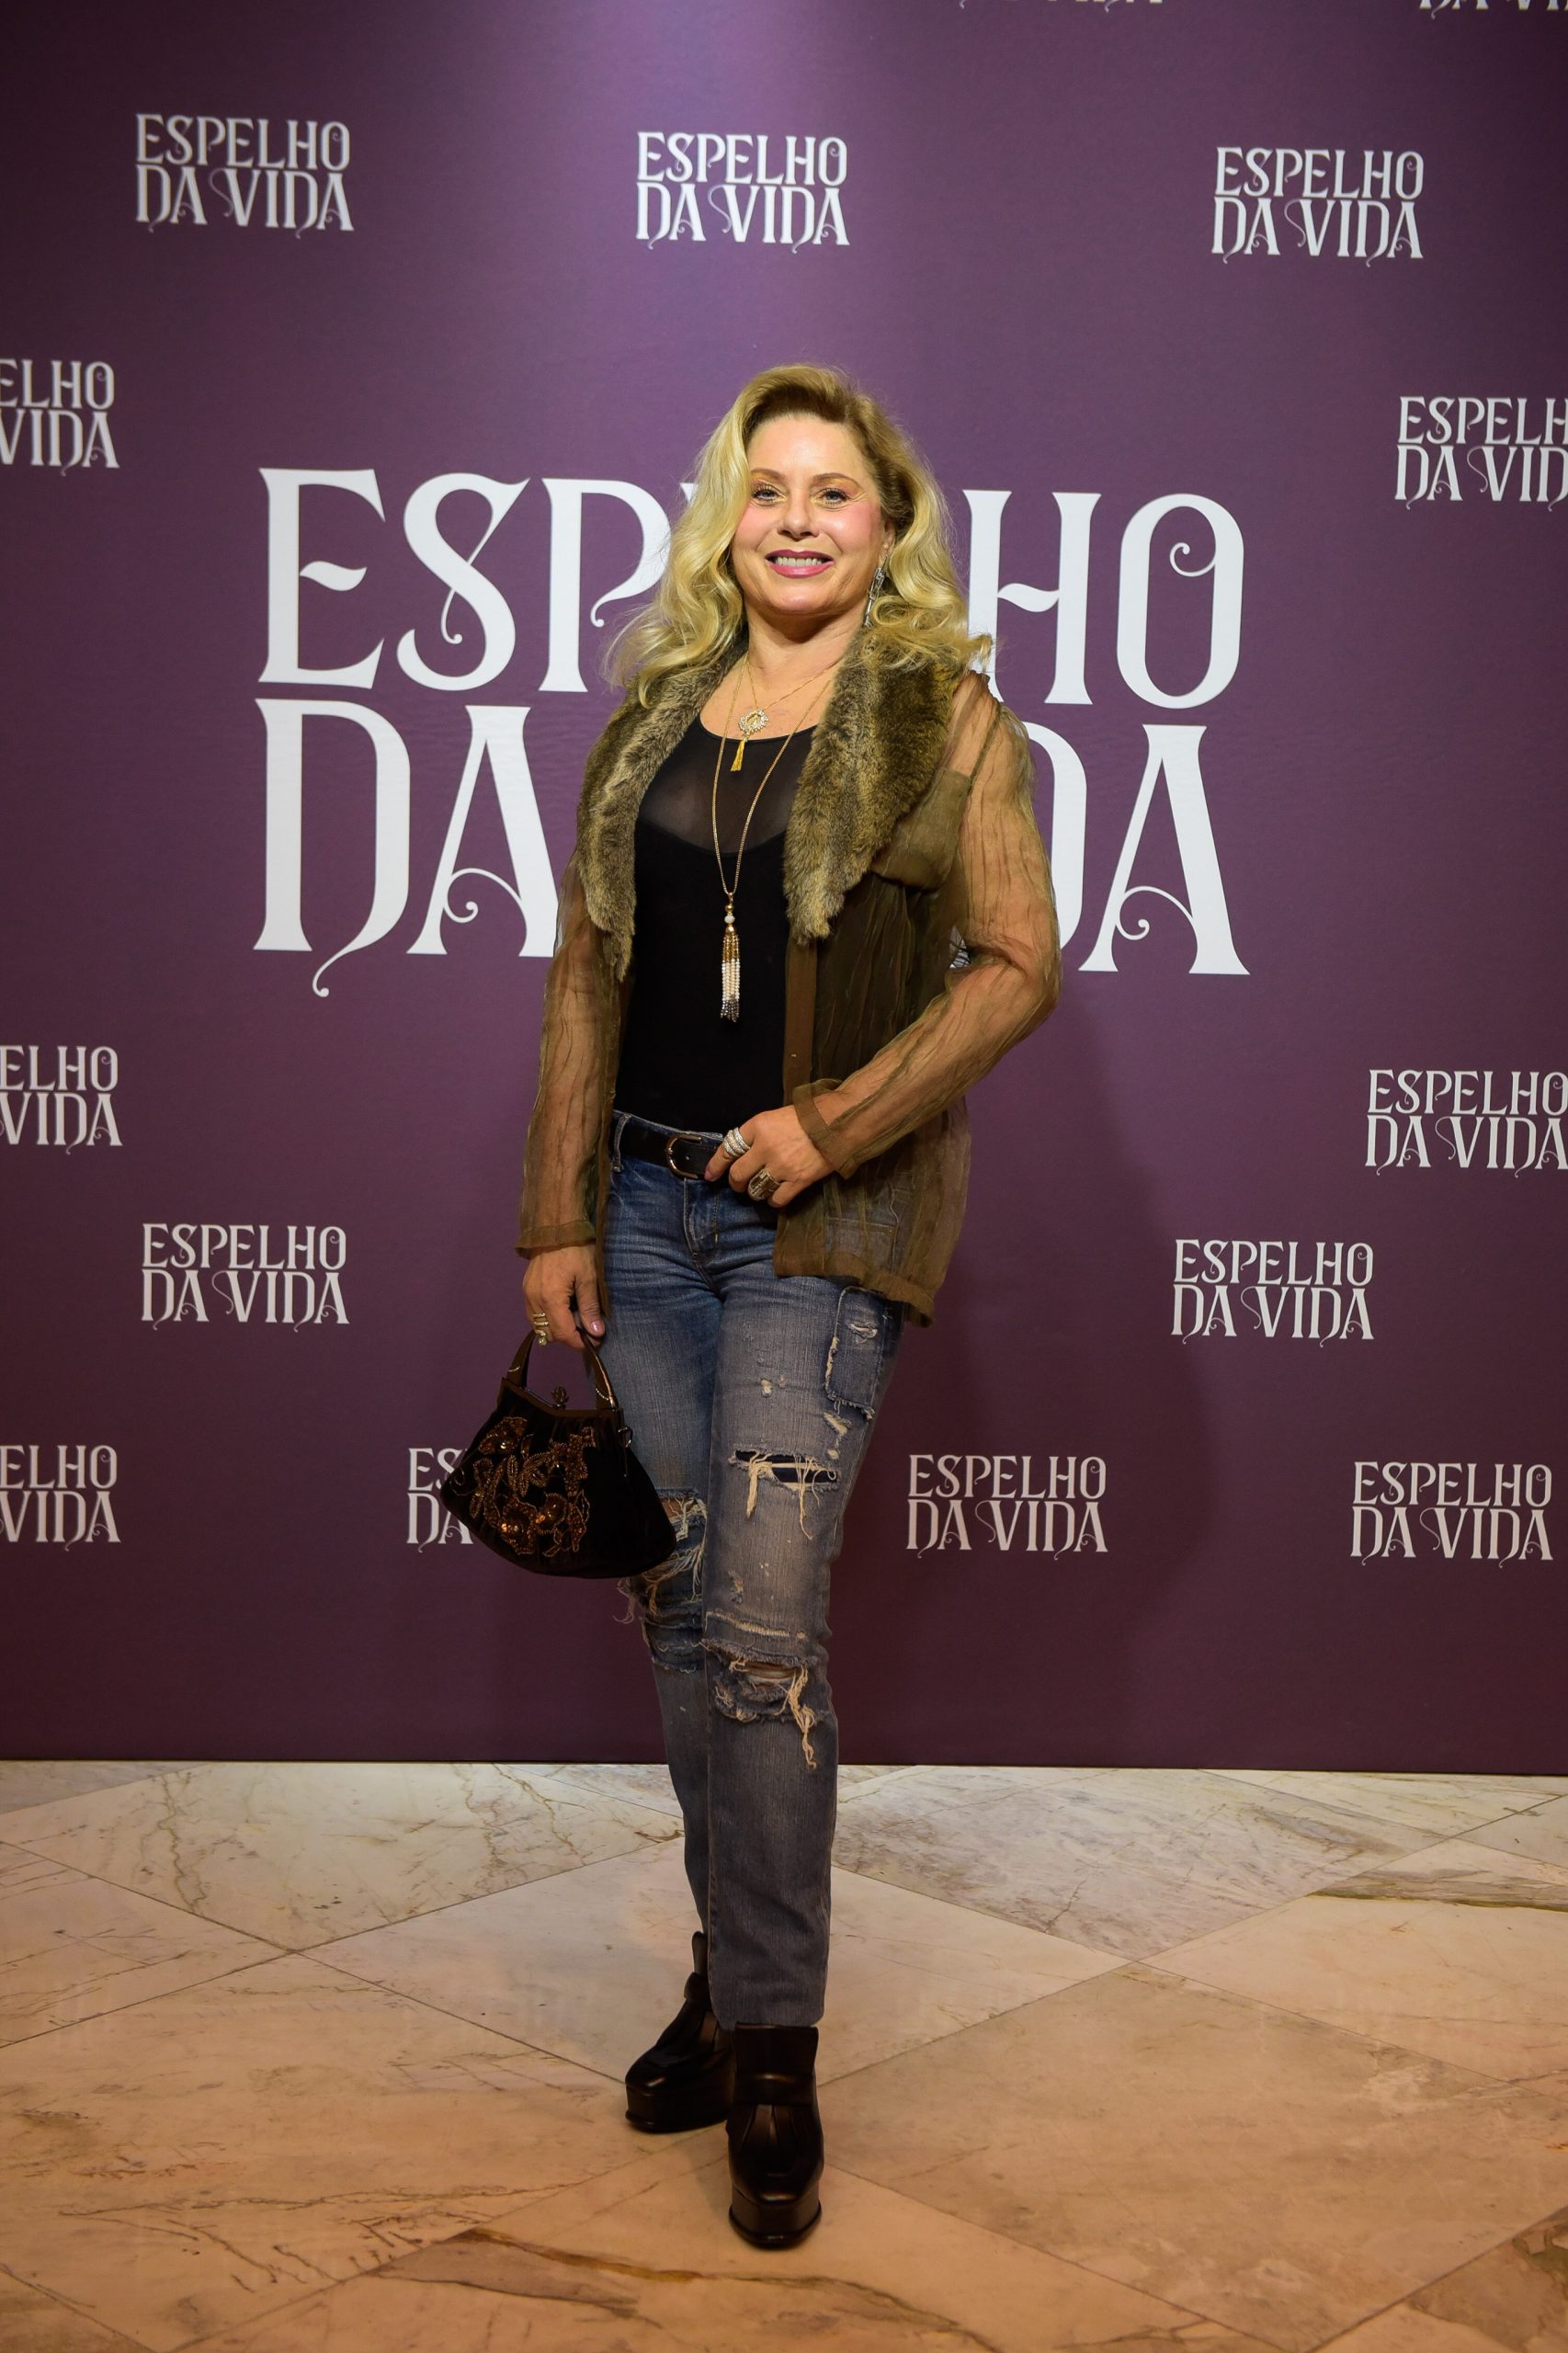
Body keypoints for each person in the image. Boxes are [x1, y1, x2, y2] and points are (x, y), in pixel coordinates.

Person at [516, 362, 1060, 2246]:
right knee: (682, 1617)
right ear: (724, 522)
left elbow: (1016, 963)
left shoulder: (945, 722)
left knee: (759, 1627)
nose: (799, 518)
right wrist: (554, 1213)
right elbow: (585, 976)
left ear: (887, 526)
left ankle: (773, 2051)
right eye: (768, 489)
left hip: (817, 1230)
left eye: (835, 490)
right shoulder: (650, 721)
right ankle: (729, 1970)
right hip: (644, 1212)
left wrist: (829, 1123)